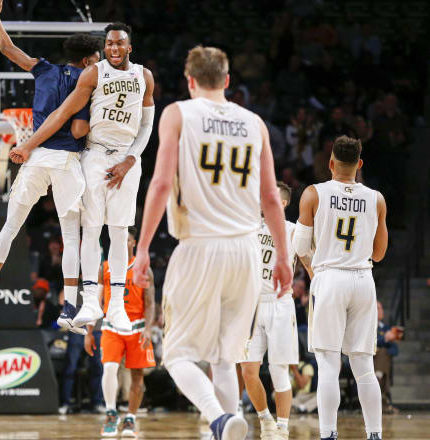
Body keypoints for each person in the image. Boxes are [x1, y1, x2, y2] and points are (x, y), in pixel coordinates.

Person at [132, 46, 292, 440]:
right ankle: (229, 424)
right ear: (227, 81)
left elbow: (161, 183)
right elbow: (271, 197)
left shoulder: (178, 113)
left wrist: (142, 248)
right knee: (226, 357)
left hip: (200, 246)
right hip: (246, 251)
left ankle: (218, 418)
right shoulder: (254, 123)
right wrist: (284, 257)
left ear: (189, 81)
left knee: (178, 355)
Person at [11, 22, 156, 335]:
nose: (114, 49)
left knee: (119, 232)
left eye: (120, 44)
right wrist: (28, 144)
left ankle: (116, 305)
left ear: (129, 47)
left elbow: (146, 126)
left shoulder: (144, 76)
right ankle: (91, 300)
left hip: (128, 159)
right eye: (109, 45)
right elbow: (62, 113)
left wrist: (130, 160)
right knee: (90, 229)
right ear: (104, 48)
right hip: (95, 155)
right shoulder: (94, 74)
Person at [0, 0, 102, 338]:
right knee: (71, 236)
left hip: (37, 158)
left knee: (11, 226)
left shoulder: (43, 70)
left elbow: (6, 47)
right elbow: (80, 128)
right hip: (66, 161)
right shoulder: (90, 81)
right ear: (88, 61)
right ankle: (69, 306)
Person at [293, 135, 388, 440]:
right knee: (364, 367)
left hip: (330, 277)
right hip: (362, 279)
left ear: (330, 162)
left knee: (328, 365)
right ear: (359, 164)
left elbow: (300, 246)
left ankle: (328, 435)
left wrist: (314, 269)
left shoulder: (313, 194)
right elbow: (379, 254)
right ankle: (374, 434)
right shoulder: (377, 198)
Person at [239, 182, 306, 440]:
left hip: (279, 303)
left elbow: (308, 259)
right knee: (248, 371)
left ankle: (283, 427)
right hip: (251, 305)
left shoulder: (292, 231)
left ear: (284, 203)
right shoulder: (249, 225)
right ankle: (265, 418)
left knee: (280, 371)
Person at [84, 227, 155, 437]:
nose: (122, 242)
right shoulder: (104, 267)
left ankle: (131, 419)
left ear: (133, 243)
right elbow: (95, 302)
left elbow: (150, 303)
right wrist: (89, 331)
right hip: (111, 327)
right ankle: (111, 414)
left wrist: (149, 329)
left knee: (137, 376)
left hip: (137, 327)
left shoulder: (143, 269)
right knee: (109, 369)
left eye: (126, 239)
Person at [374, 301, 401, 414]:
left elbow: (395, 350)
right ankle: (385, 401)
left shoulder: (386, 328)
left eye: (381, 308)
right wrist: (385, 340)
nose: (381, 310)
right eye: (377, 308)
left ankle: (378, 378)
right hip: (370, 359)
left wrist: (389, 343)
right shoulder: (367, 327)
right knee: (382, 353)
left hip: (380, 363)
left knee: (385, 353)